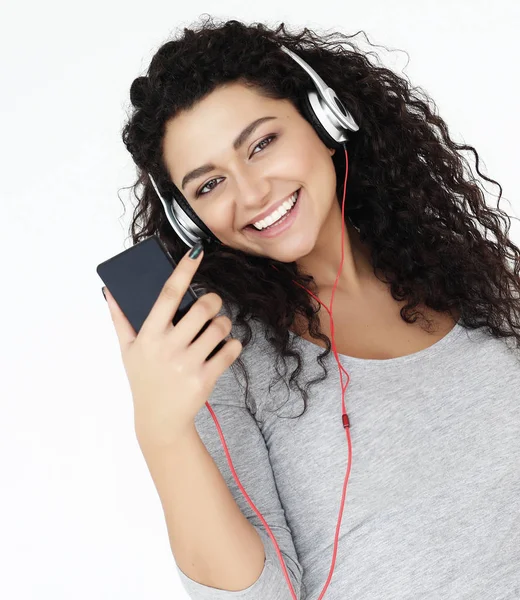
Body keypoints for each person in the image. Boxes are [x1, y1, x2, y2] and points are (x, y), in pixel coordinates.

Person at [103, 16, 520, 599]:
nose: (250, 193)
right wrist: (161, 430)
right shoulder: (216, 353)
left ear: (324, 117)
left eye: (262, 143)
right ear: (187, 219)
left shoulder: (471, 279)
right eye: (208, 185)